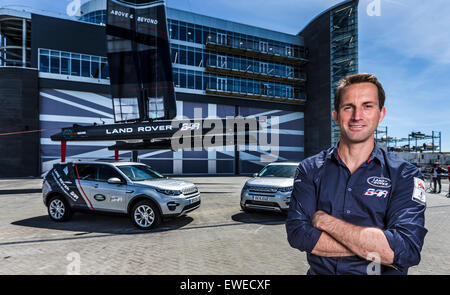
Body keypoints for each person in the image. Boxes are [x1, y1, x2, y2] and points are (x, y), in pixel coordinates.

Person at [286, 73, 427, 275]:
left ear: (381, 113)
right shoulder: (310, 169)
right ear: (336, 116)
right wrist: (375, 249)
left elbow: (406, 249)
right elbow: (298, 234)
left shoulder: (405, 175)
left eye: (367, 106)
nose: (357, 116)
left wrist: (326, 222)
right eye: (348, 107)